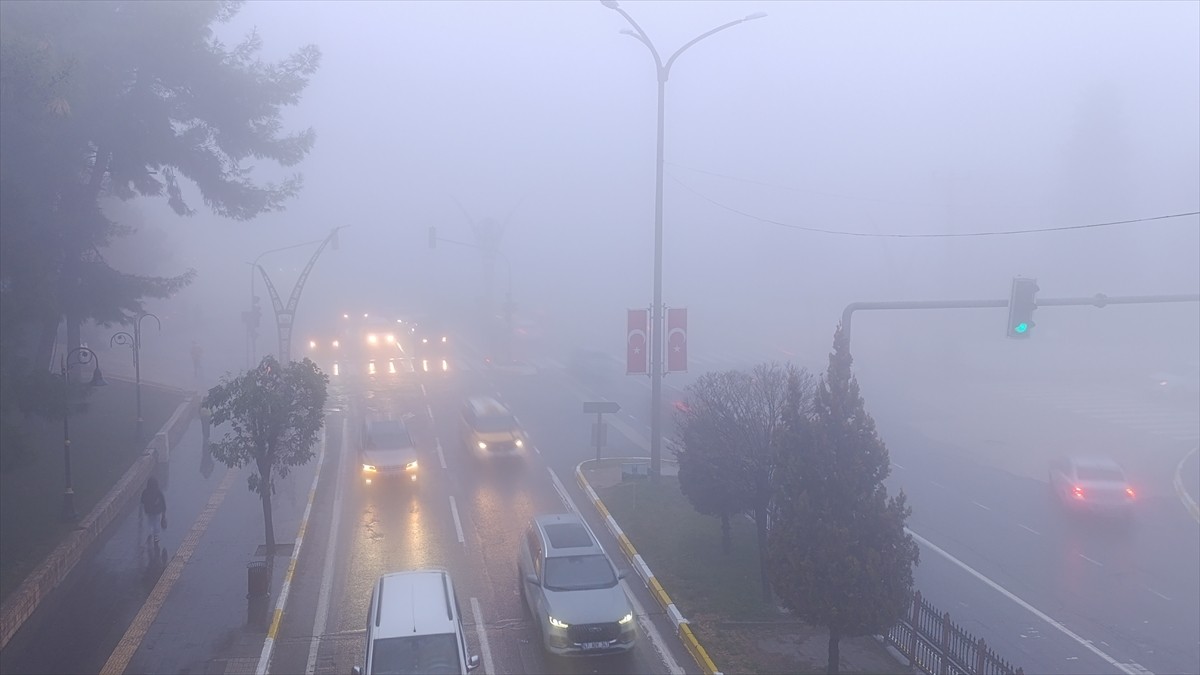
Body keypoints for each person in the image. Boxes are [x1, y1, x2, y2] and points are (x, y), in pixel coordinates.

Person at [141, 476, 167, 544]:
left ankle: (149, 534)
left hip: (148, 510)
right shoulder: (158, 492)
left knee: (149, 522)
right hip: (157, 511)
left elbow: (142, 500)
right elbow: (163, 501)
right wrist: (164, 513)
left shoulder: (145, 491)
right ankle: (156, 536)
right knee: (156, 522)